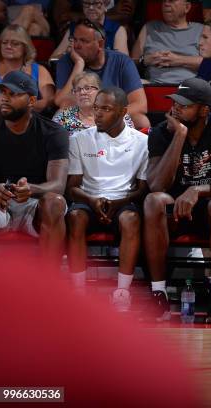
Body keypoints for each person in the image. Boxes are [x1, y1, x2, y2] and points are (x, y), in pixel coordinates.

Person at [144, 77, 211, 323]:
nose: (176, 108)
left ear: (204, 110)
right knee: (153, 201)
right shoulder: (161, 132)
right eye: (175, 102)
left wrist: (197, 190)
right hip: (175, 212)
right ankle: (159, 292)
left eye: (184, 105)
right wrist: (179, 136)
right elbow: (157, 185)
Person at [66, 87, 148, 309]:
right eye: (96, 108)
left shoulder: (141, 141)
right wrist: (93, 200)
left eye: (106, 109)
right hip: (88, 199)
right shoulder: (78, 139)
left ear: (123, 112)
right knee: (75, 217)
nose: (98, 114)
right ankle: (78, 291)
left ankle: (122, 292)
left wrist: (119, 202)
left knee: (131, 219)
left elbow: (141, 189)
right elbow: (72, 187)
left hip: (123, 199)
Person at [0, 70, 68, 268]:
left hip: (33, 205)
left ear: (31, 101)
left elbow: (59, 184)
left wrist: (31, 189)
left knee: (55, 202)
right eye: (2, 92)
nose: (5, 99)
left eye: (13, 94)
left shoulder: (53, 132)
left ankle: (49, 283)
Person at [55, 19, 149, 129]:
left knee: (141, 120)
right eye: (74, 40)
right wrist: (79, 65)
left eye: (84, 41)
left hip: (113, 118)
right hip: (80, 118)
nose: (77, 46)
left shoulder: (122, 61)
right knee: (59, 115)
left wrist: (106, 116)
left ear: (100, 43)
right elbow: (61, 102)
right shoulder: (67, 61)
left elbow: (140, 105)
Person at [131, 0, 204, 84]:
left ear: (187, 7)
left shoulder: (200, 30)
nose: (166, 4)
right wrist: (145, 60)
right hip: (154, 86)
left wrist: (177, 60)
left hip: (190, 87)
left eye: (172, 0)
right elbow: (131, 63)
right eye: (164, 1)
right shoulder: (149, 27)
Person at [0, 24, 55, 113]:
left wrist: (17, 105)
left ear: (25, 47)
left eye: (15, 44)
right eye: (4, 43)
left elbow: (48, 101)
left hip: (28, 119)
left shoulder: (39, 70)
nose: (8, 46)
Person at [53, 71, 134, 134]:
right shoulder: (62, 118)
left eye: (87, 88)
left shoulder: (118, 115)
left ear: (99, 91)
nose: (82, 92)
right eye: (78, 90)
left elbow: (131, 140)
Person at [50, 0, 129, 59]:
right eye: (87, 3)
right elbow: (53, 59)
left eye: (96, 3)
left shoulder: (117, 30)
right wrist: (66, 53)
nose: (91, 8)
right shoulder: (74, 28)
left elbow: (123, 63)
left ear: (106, 4)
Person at [52, 0, 136, 36]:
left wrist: (78, 16)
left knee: (123, 29)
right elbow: (62, 16)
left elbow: (125, 15)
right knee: (68, 27)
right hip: (80, 27)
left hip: (111, 28)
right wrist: (112, 12)